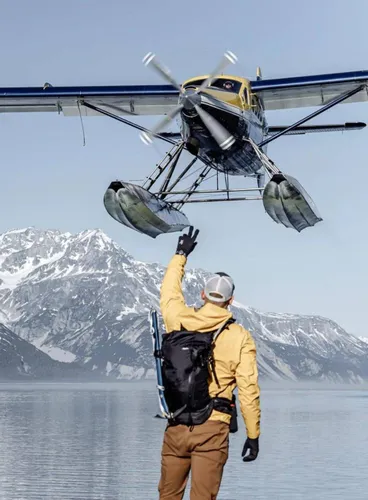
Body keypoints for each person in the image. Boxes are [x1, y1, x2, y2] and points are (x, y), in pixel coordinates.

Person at [158, 226, 261, 500]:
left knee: (167, 496)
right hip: (213, 428)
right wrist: (253, 435)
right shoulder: (240, 337)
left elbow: (169, 292)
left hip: (177, 423)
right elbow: (249, 391)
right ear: (230, 301)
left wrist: (181, 254)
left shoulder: (177, 320)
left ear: (203, 295)